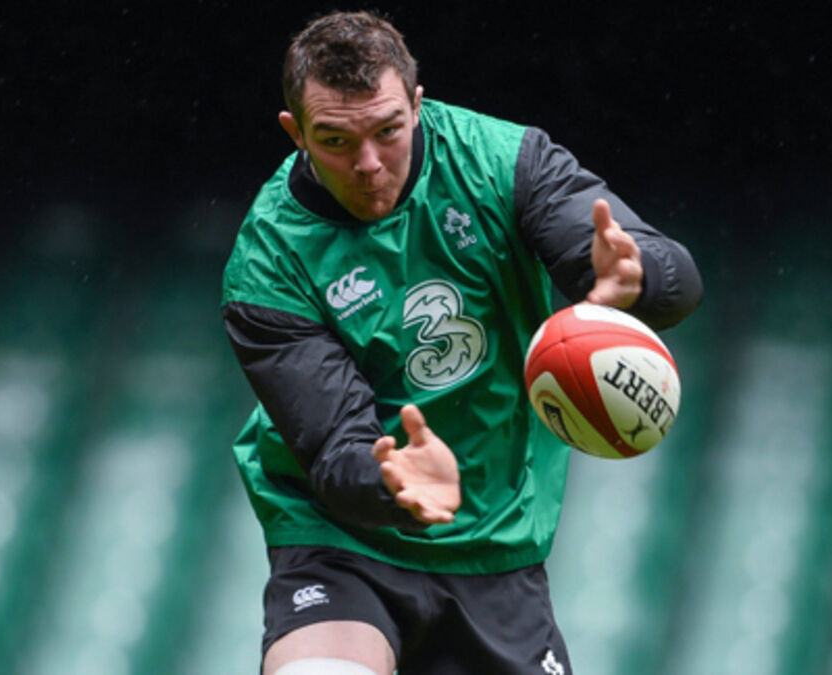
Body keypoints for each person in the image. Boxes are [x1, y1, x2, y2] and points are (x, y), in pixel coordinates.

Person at [221, 10, 702, 674]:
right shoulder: (267, 263)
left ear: (417, 105)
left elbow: (676, 279)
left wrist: (641, 276)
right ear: (294, 131)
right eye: (335, 140)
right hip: (344, 540)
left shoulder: (503, 161)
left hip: (495, 536)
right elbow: (334, 451)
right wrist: (391, 479)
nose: (368, 164)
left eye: (388, 131)